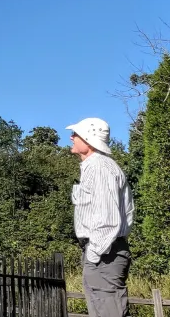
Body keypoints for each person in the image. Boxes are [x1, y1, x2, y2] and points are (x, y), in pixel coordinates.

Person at [68, 117, 134, 317]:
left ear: (88, 140)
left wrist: (94, 253)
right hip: (104, 253)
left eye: (76, 134)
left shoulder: (99, 167)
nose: (71, 137)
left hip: (104, 254)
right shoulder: (95, 166)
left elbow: (107, 217)